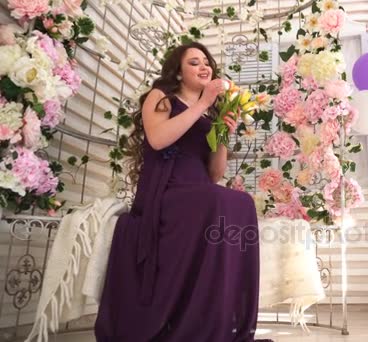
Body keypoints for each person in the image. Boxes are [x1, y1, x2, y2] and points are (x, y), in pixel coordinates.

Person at [95, 42, 272, 342]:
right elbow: (158, 140)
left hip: (198, 188)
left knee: (240, 202)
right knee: (219, 200)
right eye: (194, 62)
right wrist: (203, 104)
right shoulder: (160, 97)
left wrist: (222, 133)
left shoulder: (211, 113)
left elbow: (215, 173)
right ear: (178, 72)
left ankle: (215, 317)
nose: (205, 67)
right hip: (165, 189)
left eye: (207, 62)